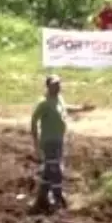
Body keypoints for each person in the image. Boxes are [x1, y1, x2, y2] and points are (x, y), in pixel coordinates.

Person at [30, 76, 69, 214]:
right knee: (56, 169)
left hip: (59, 140)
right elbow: (34, 121)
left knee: (48, 169)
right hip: (49, 141)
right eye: (54, 85)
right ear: (48, 86)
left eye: (59, 84)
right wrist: (35, 142)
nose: (58, 87)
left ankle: (42, 198)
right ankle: (58, 198)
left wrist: (81, 108)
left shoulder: (60, 99)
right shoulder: (44, 103)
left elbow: (64, 111)